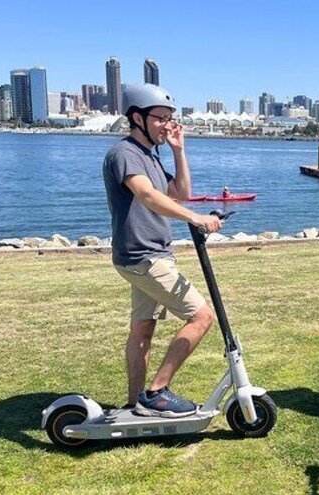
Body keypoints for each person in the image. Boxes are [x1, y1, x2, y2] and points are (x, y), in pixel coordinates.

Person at [102, 83, 223, 418]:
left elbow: (179, 192)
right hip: (142, 256)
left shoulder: (151, 156)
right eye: (160, 118)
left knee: (143, 330)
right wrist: (197, 219)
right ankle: (156, 392)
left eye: (171, 119)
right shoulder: (125, 154)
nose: (167, 125)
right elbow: (148, 196)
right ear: (137, 117)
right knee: (201, 316)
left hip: (149, 255)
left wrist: (178, 150)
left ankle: (135, 403)